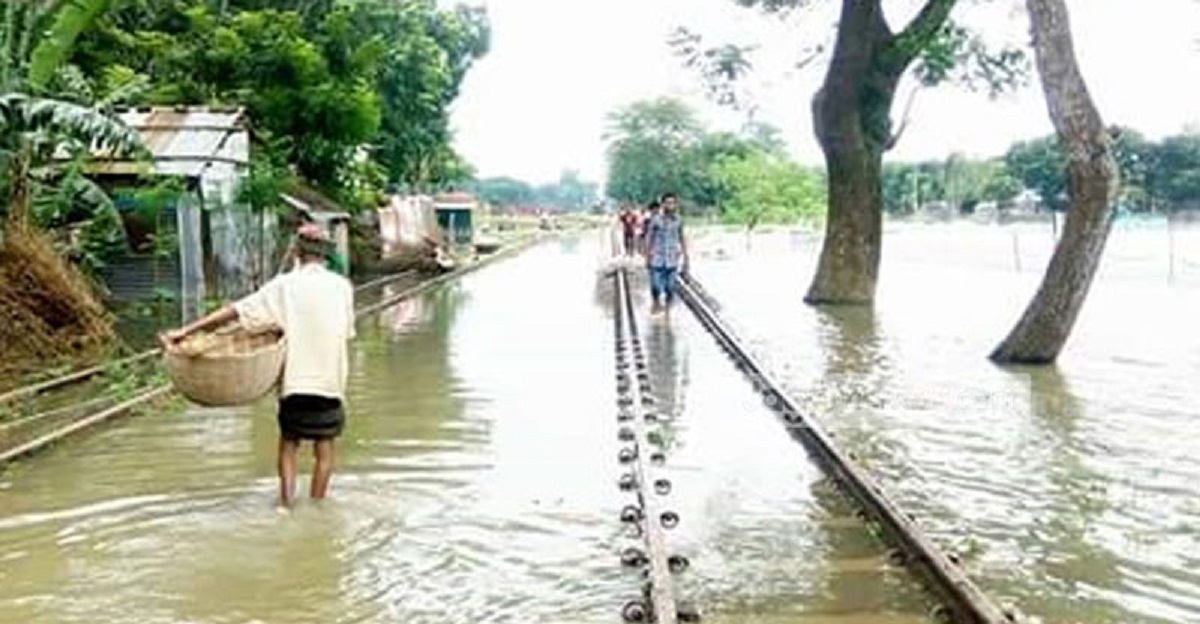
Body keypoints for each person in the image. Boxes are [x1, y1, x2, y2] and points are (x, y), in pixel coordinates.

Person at [160, 224, 356, 511]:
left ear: (297, 251)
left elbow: (236, 311)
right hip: (330, 383)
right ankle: (317, 507)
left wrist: (187, 331)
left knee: (289, 446)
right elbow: (346, 332)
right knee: (324, 451)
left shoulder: (285, 285)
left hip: (295, 383)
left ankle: (286, 506)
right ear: (326, 254)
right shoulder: (341, 287)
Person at [644, 193, 688, 316]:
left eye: (673, 203)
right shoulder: (655, 220)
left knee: (670, 287)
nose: (671, 205)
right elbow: (649, 238)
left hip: (672, 259)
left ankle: (667, 311)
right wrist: (647, 256)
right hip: (656, 258)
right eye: (668, 203)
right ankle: (656, 302)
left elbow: (682, 238)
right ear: (663, 204)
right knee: (655, 285)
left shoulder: (679, 220)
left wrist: (686, 257)